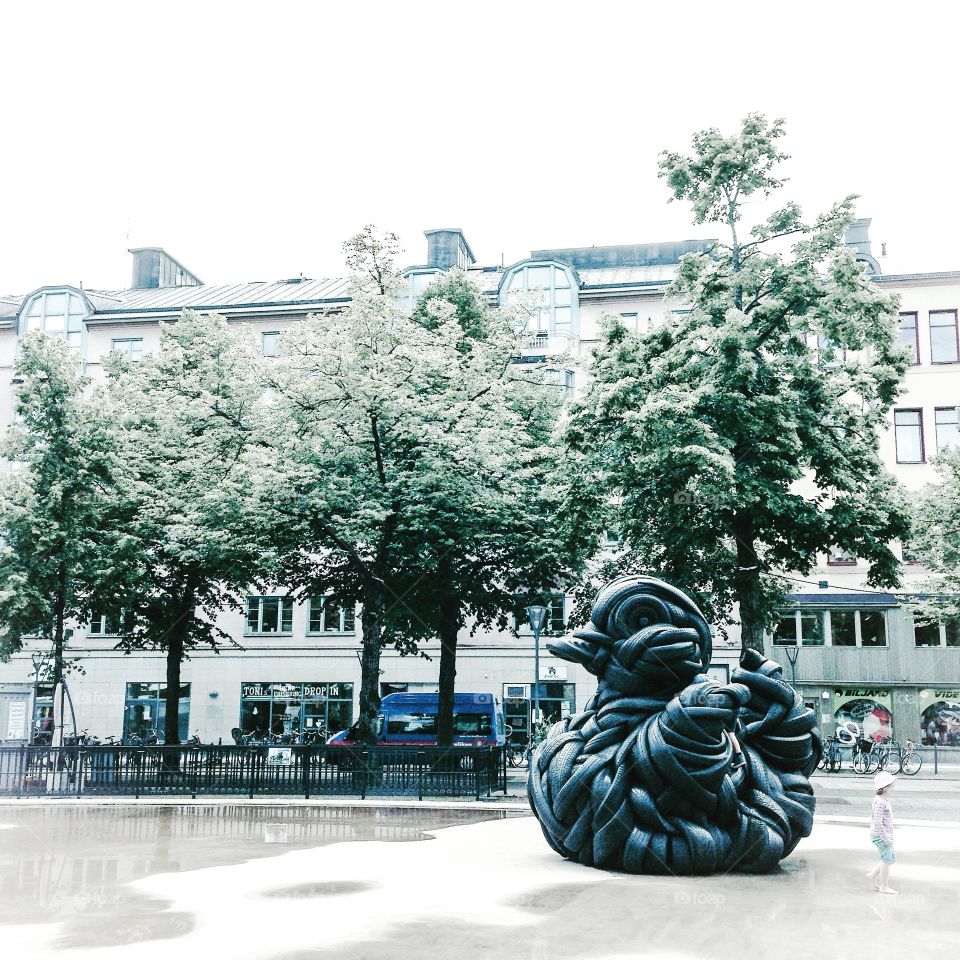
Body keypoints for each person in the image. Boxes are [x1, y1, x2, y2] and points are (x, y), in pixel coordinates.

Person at [866, 770, 897, 894]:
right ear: (884, 788)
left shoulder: (883, 801)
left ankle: (873, 875)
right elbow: (878, 823)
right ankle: (884, 886)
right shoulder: (880, 802)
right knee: (887, 859)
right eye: (891, 786)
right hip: (880, 836)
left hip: (883, 835)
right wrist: (886, 838)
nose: (893, 788)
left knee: (891, 858)